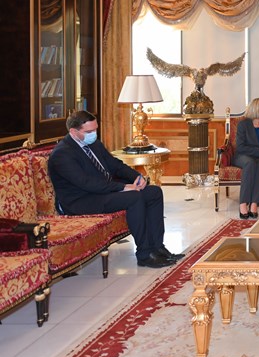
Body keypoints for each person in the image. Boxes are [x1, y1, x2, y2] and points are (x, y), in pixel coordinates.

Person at [48, 110, 182, 269]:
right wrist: (123, 187)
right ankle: (145, 254)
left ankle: (158, 247)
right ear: (73, 132)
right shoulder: (62, 154)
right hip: (81, 201)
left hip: (102, 192)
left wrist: (136, 177)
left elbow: (115, 165)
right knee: (134, 197)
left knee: (154, 192)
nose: (94, 134)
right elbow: (86, 183)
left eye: (95, 129)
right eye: (89, 131)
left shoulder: (94, 144)